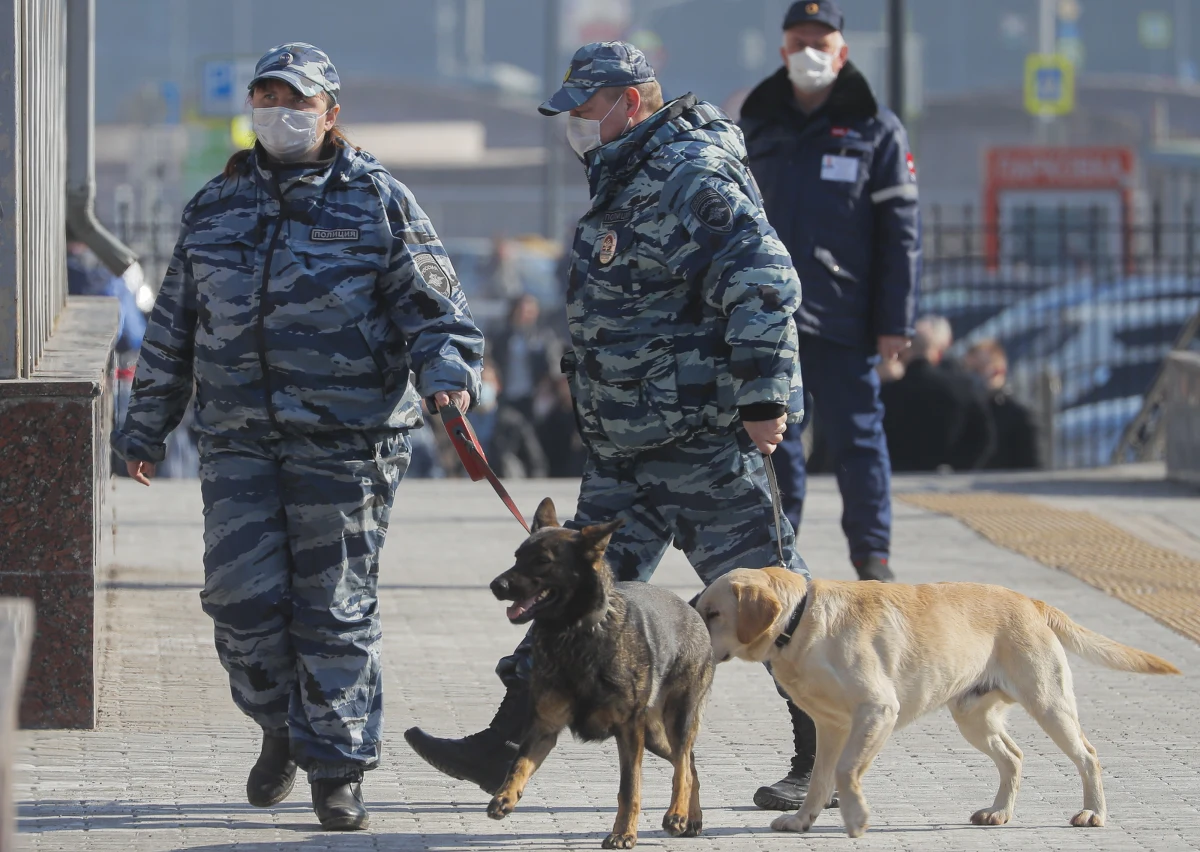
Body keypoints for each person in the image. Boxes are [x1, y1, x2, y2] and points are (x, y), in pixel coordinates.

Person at [404, 40, 817, 810]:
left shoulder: (691, 173)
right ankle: (504, 748)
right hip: (627, 452)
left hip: (701, 445)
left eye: (587, 109)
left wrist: (764, 396)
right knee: (566, 596)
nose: (576, 126)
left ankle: (818, 760)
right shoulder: (626, 176)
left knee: (772, 608)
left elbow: (764, 277)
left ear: (632, 101)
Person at [110, 43, 484, 831]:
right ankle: (280, 724)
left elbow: (437, 309)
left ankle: (337, 766)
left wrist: (448, 376)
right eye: (266, 97)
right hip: (239, 438)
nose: (279, 113)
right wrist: (145, 426)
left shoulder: (378, 200)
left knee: (332, 609)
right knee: (239, 603)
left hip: (349, 442)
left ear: (330, 114)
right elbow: (175, 325)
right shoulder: (215, 206)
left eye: (297, 100)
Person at [739, 0, 920, 593]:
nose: (809, 54)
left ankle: (872, 556)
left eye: (822, 43)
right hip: (768, 317)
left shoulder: (876, 127)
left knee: (858, 439)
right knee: (775, 440)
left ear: (842, 52)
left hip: (844, 318)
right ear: (782, 49)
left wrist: (895, 320)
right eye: (799, 42)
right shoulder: (758, 120)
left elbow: (900, 235)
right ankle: (778, 554)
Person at [880, 317, 996, 472]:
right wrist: (961, 468)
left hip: (900, 477)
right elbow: (985, 437)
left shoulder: (888, 393)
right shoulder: (963, 387)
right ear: (937, 353)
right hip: (948, 478)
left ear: (904, 352)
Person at [965, 339, 1041, 470]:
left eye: (979, 369)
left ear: (999, 370)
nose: (973, 377)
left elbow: (1031, 465)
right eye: (970, 370)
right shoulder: (966, 412)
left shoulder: (1019, 415)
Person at [472, 360, 550, 478]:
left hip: (504, 484)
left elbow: (536, 462)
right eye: (478, 381)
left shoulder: (513, 422)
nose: (482, 385)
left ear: (498, 386)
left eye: (487, 381)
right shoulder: (460, 420)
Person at [491, 293, 560, 419]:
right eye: (521, 310)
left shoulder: (544, 337)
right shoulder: (502, 338)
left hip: (533, 397)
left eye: (529, 311)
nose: (524, 315)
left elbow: (554, 364)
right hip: (507, 396)